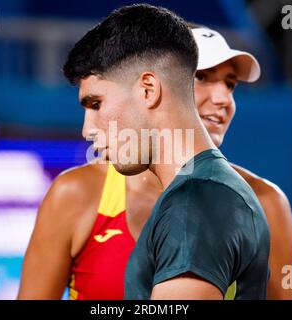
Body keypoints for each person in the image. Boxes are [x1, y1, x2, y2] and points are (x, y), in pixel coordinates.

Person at [20, 3, 269, 300]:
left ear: (148, 90)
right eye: (203, 77)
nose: (87, 130)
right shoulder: (201, 194)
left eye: (97, 104)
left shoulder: (195, 204)